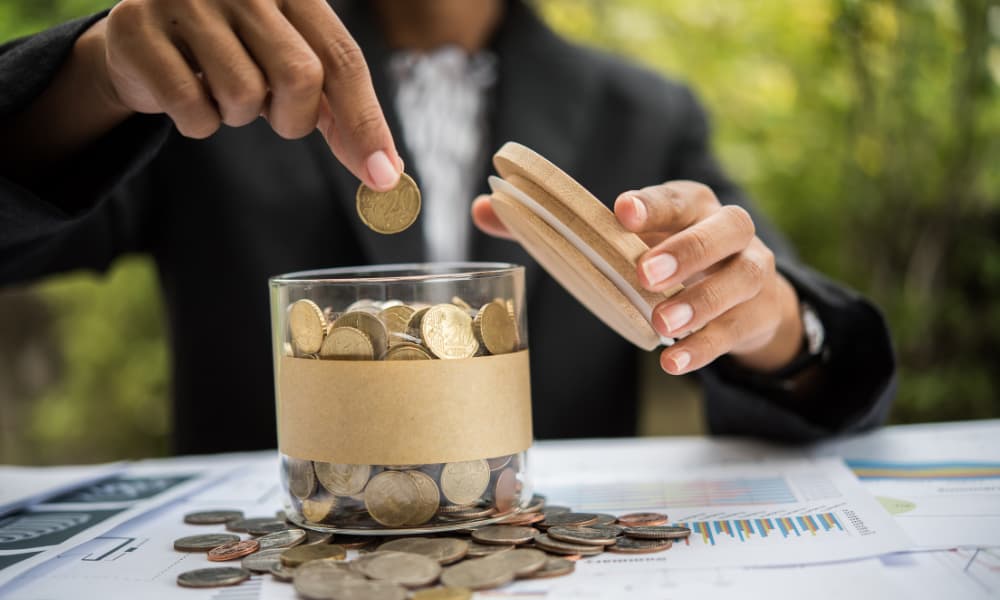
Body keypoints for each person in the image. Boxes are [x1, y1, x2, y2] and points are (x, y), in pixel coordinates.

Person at [0, 0, 895, 454]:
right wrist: (94, 79)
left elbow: (805, 340)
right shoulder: (218, 65)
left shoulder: (644, 114)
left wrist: (775, 322)